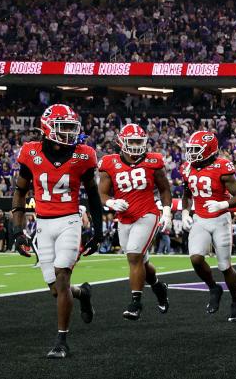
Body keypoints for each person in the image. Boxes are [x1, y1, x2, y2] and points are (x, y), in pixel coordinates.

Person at [12, 104, 101, 358]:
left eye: (72, 128)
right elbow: (20, 191)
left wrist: (98, 229)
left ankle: (61, 341)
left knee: (62, 278)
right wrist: (18, 232)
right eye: (64, 128)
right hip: (43, 223)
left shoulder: (83, 155)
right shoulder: (30, 153)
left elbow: (93, 196)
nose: (70, 133)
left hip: (70, 221)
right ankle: (83, 293)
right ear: (48, 128)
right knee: (55, 288)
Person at [97, 123, 171, 320]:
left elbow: (164, 188)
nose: (137, 145)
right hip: (125, 217)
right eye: (133, 141)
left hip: (147, 213)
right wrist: (111, 202)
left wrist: (167, 211)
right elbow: (102, 194)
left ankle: (135, 303)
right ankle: (158, 286)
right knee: (141, 261)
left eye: (140, 141)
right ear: (121, 142)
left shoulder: (153, 161)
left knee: (134, 255)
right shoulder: (109, 163)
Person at [180, 130, 236, 321]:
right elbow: (186, 195)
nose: (191, 154)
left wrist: (223, 204)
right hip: (200, 218)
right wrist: (185, 212)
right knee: (195, 259)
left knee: (225, 266)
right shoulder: (188, 167)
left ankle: (235, 301)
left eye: (196, 150)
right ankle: (213, 288)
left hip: (220, 219)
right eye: (190, 149)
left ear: (209, 150)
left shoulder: (222, 167)